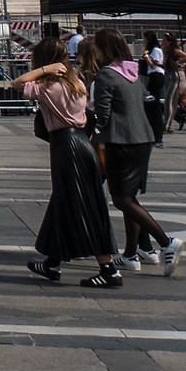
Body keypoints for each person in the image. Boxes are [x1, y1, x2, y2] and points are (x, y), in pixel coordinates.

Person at [16, 35, 120, 287]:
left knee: (81, 204)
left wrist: (44, 70)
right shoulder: (77, 83)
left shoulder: (48, 87)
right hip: (83, 144)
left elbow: (17, 83)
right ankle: (52, 263)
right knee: (66, 201)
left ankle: (109, 269)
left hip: (66, 146)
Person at [83, 31, 180, 272]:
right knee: (130, 197)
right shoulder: (133, 72)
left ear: (106, 49)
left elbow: (103, 116)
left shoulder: (106, 75)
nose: (94, 52)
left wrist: (87, 117)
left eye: (97, 48)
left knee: (121, 199)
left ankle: (167, 242)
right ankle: (130, 253)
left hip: (120, 141)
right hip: (143, 138)